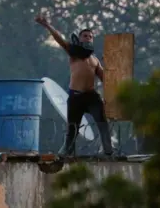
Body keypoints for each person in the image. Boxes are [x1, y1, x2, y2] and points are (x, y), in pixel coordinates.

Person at [35, 15, 114, 156]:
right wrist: (47, 25)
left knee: (102, 122)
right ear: (80, 38)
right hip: (75, 96)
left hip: (91, 96)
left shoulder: (95, 59)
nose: (88, 38)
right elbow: (60, 40)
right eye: (85, 35)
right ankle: (67, 150)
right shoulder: (74, 54)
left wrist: (111, 67)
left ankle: (108, 149)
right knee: (72, 129)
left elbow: (105, 79)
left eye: (90, 36)